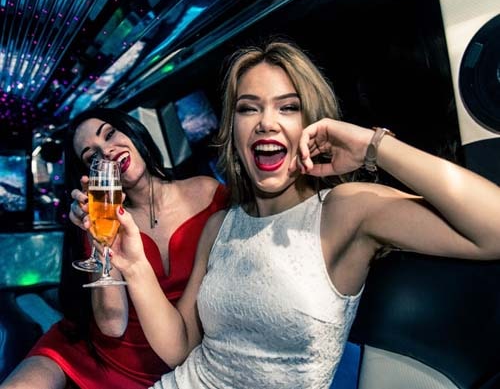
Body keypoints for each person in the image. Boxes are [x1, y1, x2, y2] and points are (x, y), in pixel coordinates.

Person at [100, 40, 500, 389]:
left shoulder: (344, 209)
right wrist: (134, 265)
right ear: (233, 132)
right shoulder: (221, 225)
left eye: (288, 107)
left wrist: (372, 146)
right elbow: (181, 346)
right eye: (248, 109)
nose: (266, 122)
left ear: (312, 123)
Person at [0, 108, 227, 389]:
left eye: (110, 134)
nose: (106, 151)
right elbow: (111, 325)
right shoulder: (105, 218)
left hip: (179, 355)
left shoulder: (210, 194)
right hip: (103, 353)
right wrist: (100, 243)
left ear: (132, 131)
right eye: (92, 156)